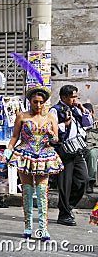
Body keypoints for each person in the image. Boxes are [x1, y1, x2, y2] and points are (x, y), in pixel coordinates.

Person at [6, 85, 64, 241]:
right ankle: (28, 226)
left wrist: (52, 135)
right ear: (29, 101)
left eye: (41, 102)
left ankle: (43, 228)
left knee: (42, 192)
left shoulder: (51, 118)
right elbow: (15, 136)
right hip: (25, 155)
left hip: (44, 155)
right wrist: (8, 149)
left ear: (45, 102)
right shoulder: (21, 116)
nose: (38, 105)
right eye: (35, 102)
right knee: (27, 191)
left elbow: (56, 140)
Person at [49, 85, 93, 226]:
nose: (75, 100)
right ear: (64, 97)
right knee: (65, 184)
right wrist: (65, 124)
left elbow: (88, 123)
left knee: (83, 179)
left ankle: (68, 207)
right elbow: (51, 132)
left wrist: (82, 109)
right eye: (72, 97)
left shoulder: (75, 109)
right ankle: (64, 214)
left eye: (75, 97)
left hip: (77, 150)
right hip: (64, 151)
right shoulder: (54, 111)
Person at [82, 103, 98, 193]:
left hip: (94, 148)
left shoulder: (96, 125)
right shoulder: (78, 123)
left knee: (92, 154)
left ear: (92, 113)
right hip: (80, 149)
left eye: (88, 113)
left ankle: (90, 182)